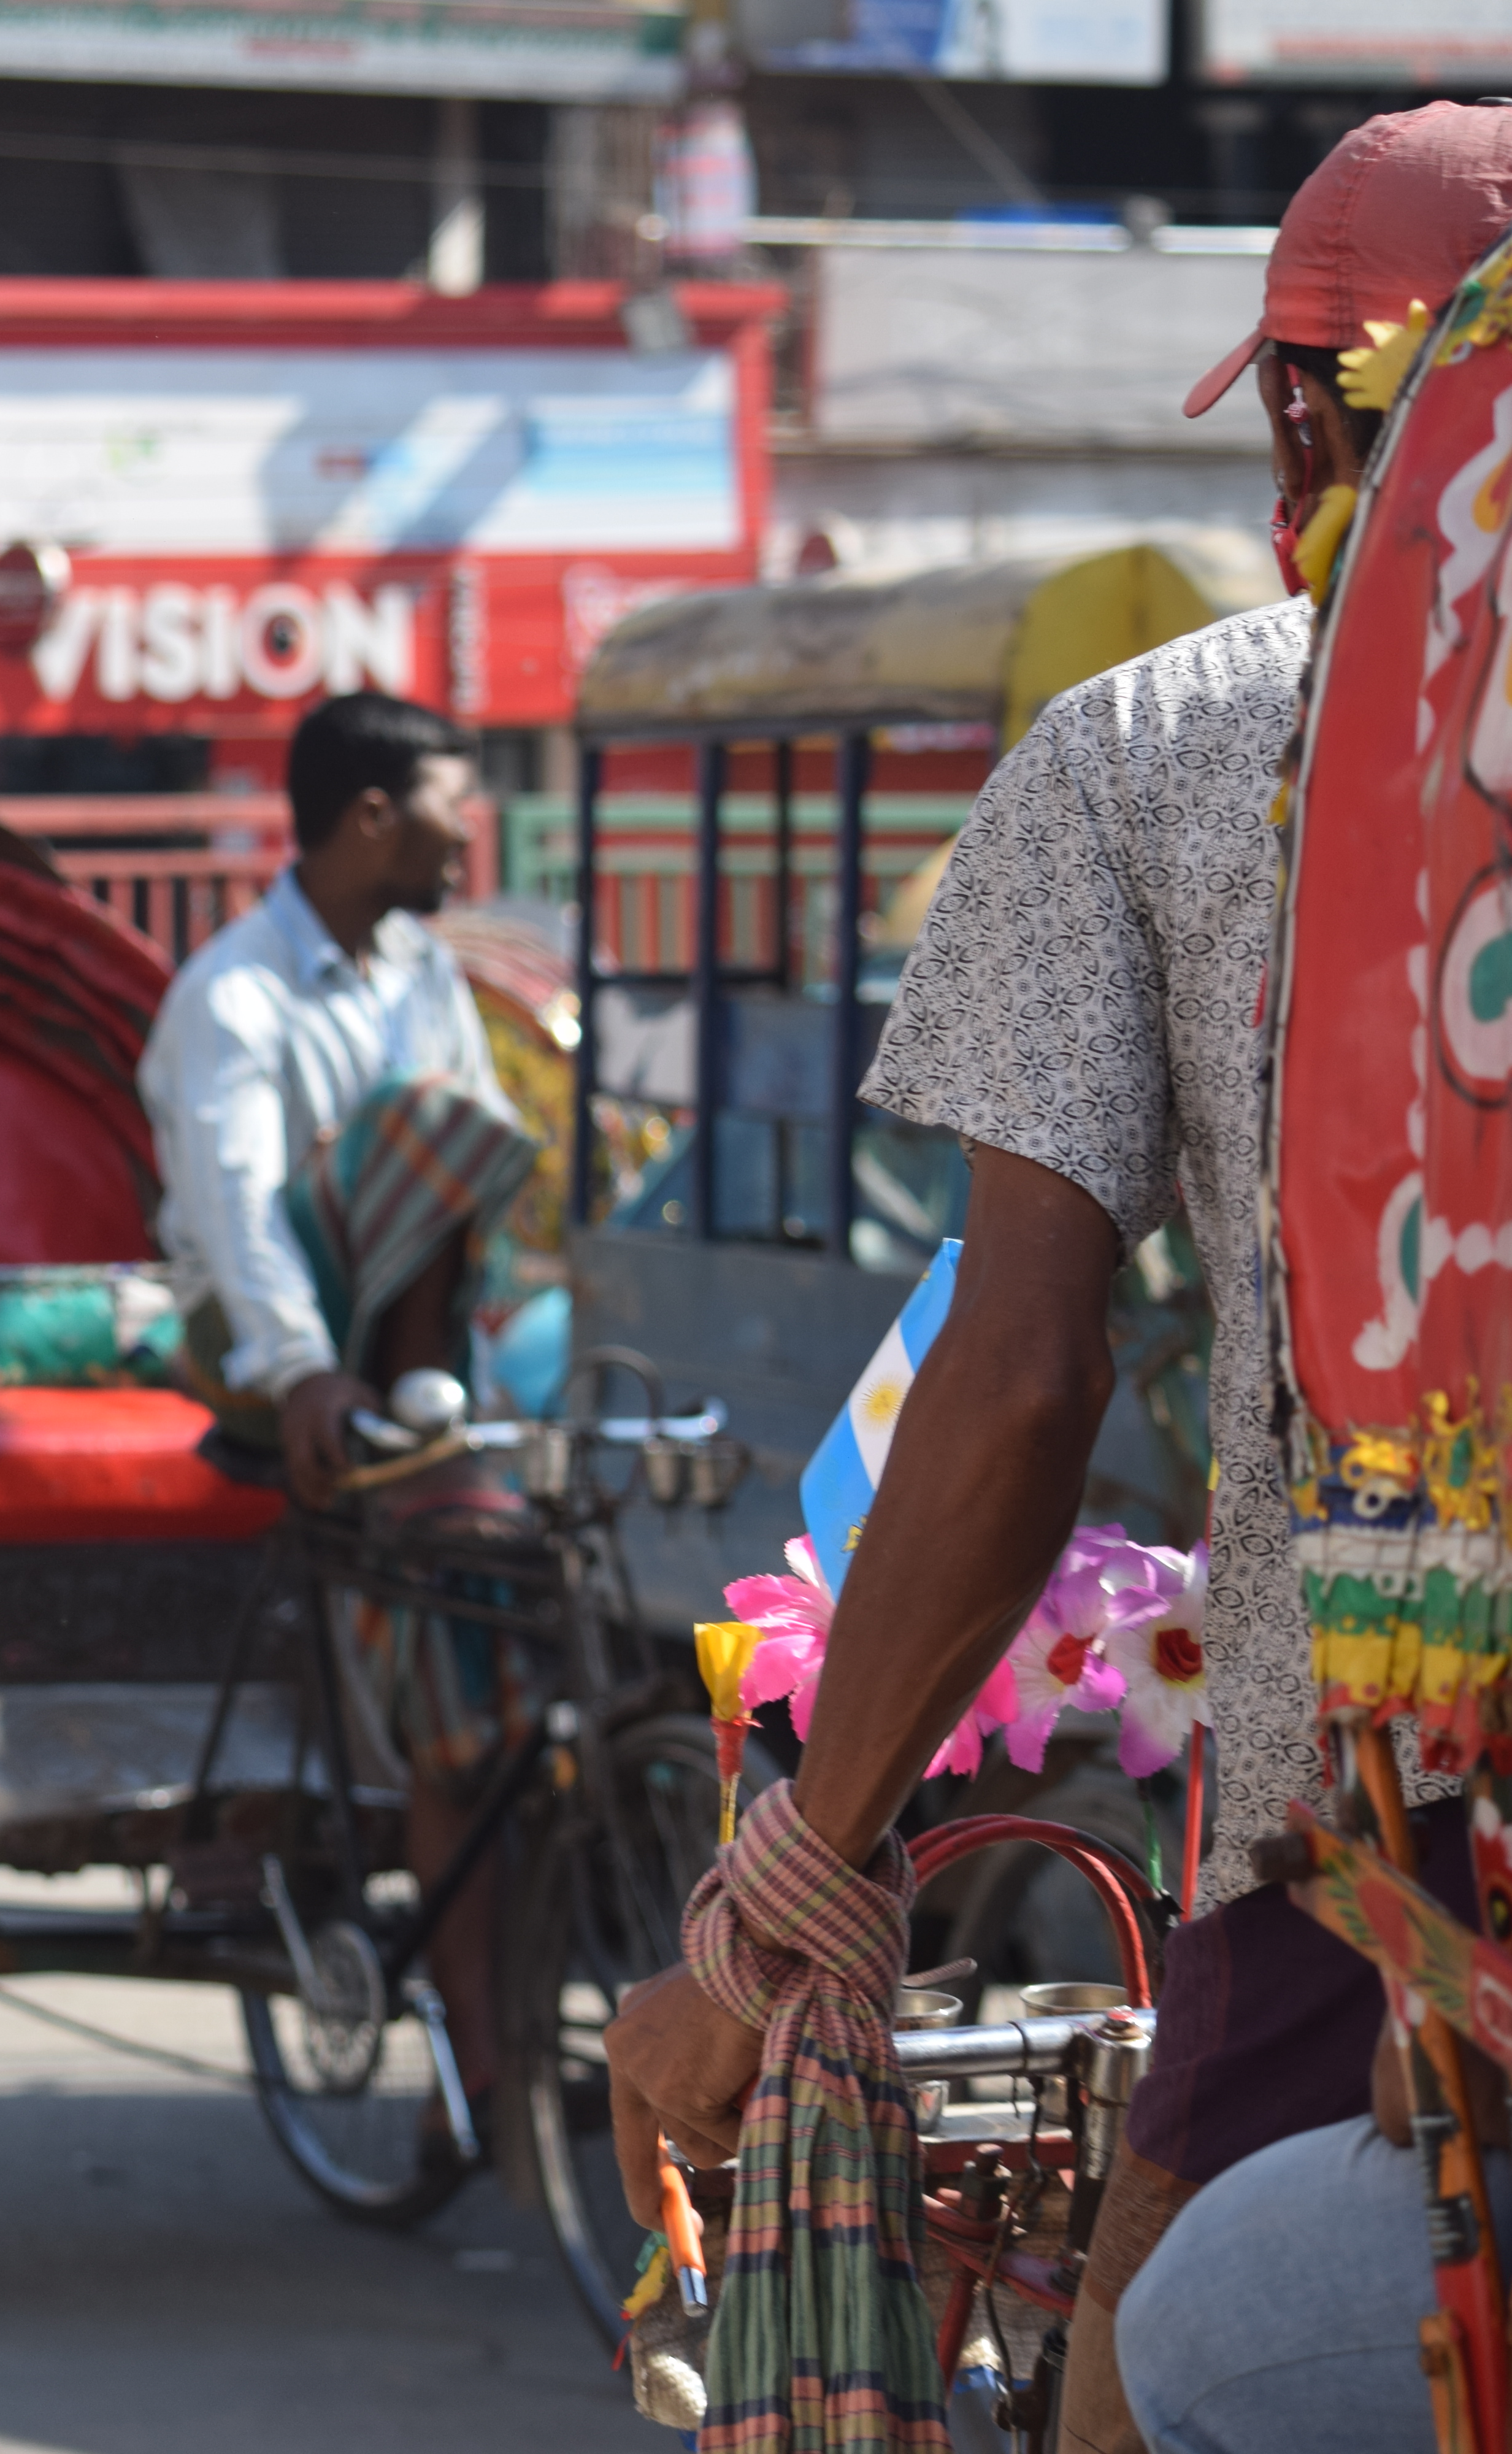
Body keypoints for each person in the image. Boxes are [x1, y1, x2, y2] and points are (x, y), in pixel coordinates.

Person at [596, 102, 1512, 2453]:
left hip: (1378, 1833)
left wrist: (776, 1890)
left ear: (1308, 409)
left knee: (1151, 2382)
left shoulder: (1151, 752)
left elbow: (1011, 1384)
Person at [139, 688, 535, 2131]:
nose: (465, 836)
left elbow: (477, 1173)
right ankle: (478, 2056)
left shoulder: (422, 969)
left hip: (415, 1338)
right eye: (450, 806)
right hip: (268, 1350)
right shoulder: (233, 996)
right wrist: (305, 1365)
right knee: (451, 1684)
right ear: (374, 816)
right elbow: (239, 1210)